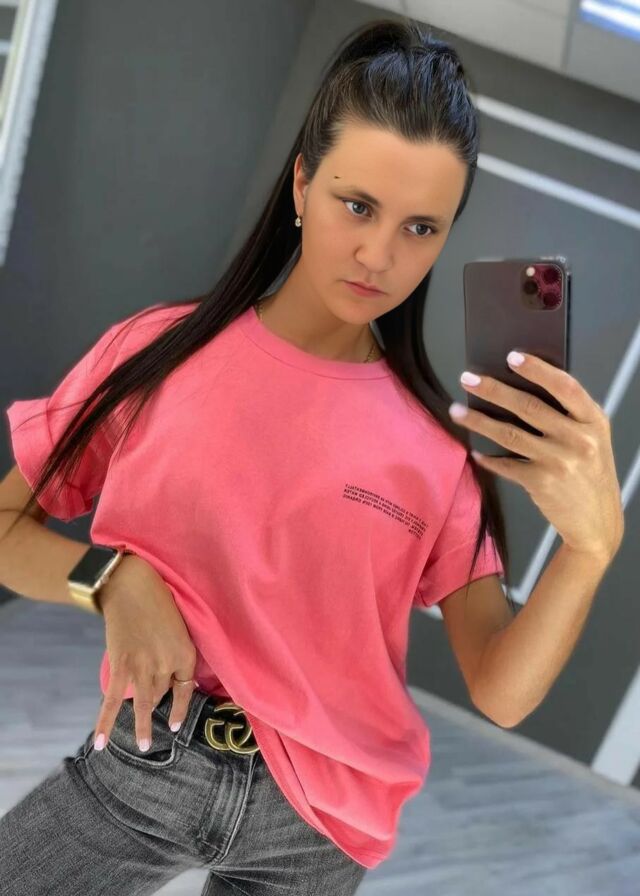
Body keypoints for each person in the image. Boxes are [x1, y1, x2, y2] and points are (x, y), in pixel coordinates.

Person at [0, 15, 513, 895]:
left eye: (421, 227)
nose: (379, 256)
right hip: (147, 753)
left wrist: (592, 542)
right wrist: (114, 579)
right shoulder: (158, 354)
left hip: (320, 824)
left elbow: (501, 688)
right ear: (303, 183)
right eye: (358, 205)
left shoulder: (437, 450)